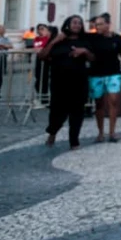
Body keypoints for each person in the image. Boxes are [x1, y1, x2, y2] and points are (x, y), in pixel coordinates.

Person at [38, 15, 95, 149]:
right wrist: (54, 41)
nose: (77, 25)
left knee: (77, 112)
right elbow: (42, 56)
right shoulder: (58, 40)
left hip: (79, 82)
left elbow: (93, 58)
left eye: (79, 23)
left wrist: (85, 51)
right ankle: (52, 132)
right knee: (58, 111)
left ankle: (74, 141)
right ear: (67, 24)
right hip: (59, 82)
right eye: (74, 22)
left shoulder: (84, 40)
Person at [89, 13, 121, 143]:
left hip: (113, 73)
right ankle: (101, 132)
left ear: (108, 24)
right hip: (96, 74)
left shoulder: (117, 38)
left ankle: (112, 132)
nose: (97, 27)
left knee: (113, 100)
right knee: (99, 103)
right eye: (96, 25)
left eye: (100, 24)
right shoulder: (92, 38)